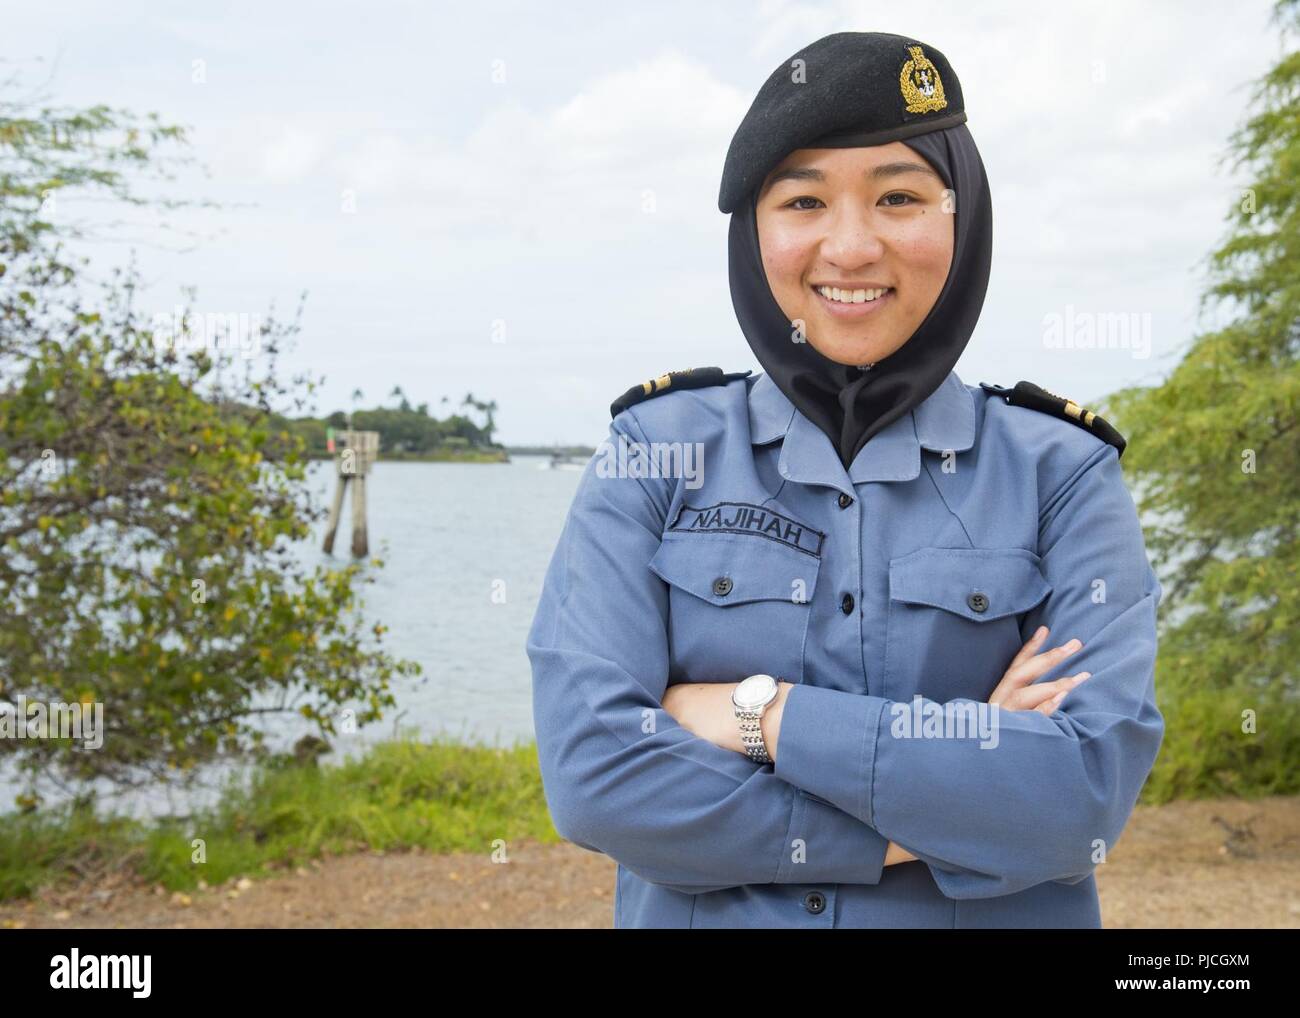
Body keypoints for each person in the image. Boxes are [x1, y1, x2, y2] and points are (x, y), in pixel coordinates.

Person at [526, 31, 1163, 928]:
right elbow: (597, 777)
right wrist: (942, 806)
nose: (852, 247)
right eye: (802, 201)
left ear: (963, 215)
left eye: (899, 196)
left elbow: (1077, 798)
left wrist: (761, 716)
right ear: (755, 230)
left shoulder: (1062, 473)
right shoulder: (654, 456)